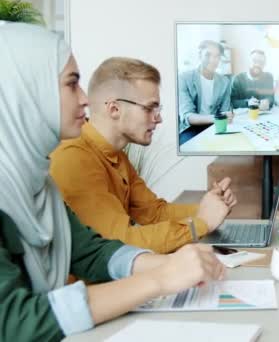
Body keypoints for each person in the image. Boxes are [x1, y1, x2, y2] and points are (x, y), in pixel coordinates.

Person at [0, 23, 224, 341]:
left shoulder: (39, 186)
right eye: (71, 84)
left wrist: (176, 265)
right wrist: (161, 276)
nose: (84, 99)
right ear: (26, 91)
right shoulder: (70, 160)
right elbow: (14, 321)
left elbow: (92, 252)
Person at [50, 57, 237, 254]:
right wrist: (201, 224)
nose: (159, 118)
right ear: (114, 109)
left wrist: (209, 206)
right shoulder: (74, 159)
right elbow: (121, 243)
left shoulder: (115, 155)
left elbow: (153, 213)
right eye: (149, 108)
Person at [178, 40, 231, 145]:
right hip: (191, 129)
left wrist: (227, 116)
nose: (213, 60)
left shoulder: (224, 81)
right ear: (199, 55)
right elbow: (188, 116)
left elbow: (224, 111)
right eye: (208, 55)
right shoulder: (184, 78)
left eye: (217, 56)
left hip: (215, 126)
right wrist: (216, 118)